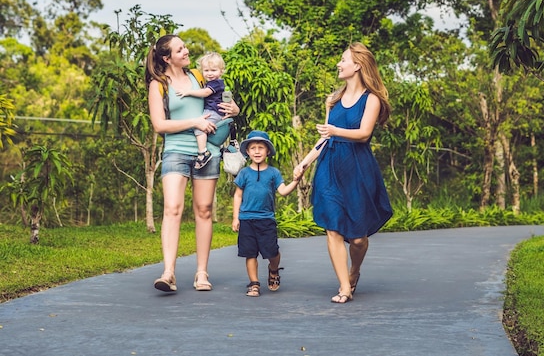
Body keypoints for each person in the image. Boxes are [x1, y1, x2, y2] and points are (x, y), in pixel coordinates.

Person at [294, 42, 393, 304]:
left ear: (357, 65)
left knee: (358, 239)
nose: (339, 64)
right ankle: (344, 287)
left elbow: (363, 134)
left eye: (343, 60)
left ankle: (354, 271)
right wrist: (304, 163)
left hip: (357, 169)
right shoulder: (333, 100)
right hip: (329, 167)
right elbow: (324, 139)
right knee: (333, 229)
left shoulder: (370, 99)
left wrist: (335, 131)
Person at [145, 34, 240, 293]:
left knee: (204, 209)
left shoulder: (199, 76)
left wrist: (235, 110)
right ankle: (169, 272)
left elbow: (223, 100)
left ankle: (201, 272)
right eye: (180, 49)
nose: (186, 51)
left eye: (184, 46)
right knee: (173, 208)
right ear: (167, 58)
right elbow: (159, 125)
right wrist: (195, 122)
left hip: (207, 150)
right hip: (176, 149)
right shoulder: (159, 84)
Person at [231, 130, 301, 297]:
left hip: (266, 220)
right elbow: (238, 195)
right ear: (247, 151)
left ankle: (273, 269)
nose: (257, 151)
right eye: (253, 148)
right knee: (250, 252)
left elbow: (283, 191)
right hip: (247, 219)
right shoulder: (244, 173)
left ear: (267, 151)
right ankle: (254, 283)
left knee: (272, 252)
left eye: (261, 148)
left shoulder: (273, 173)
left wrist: (296, 181)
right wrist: (236, 217)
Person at [175, 52, 229, 170]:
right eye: (206, 70)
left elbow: (205, 93)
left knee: (200, 128)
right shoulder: (210, 82)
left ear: (221, 71)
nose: (209, 74)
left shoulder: (216, 83)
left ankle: (203, 153)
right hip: (213, 110)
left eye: (213, 70)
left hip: (214, 111)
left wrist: (188, 91)